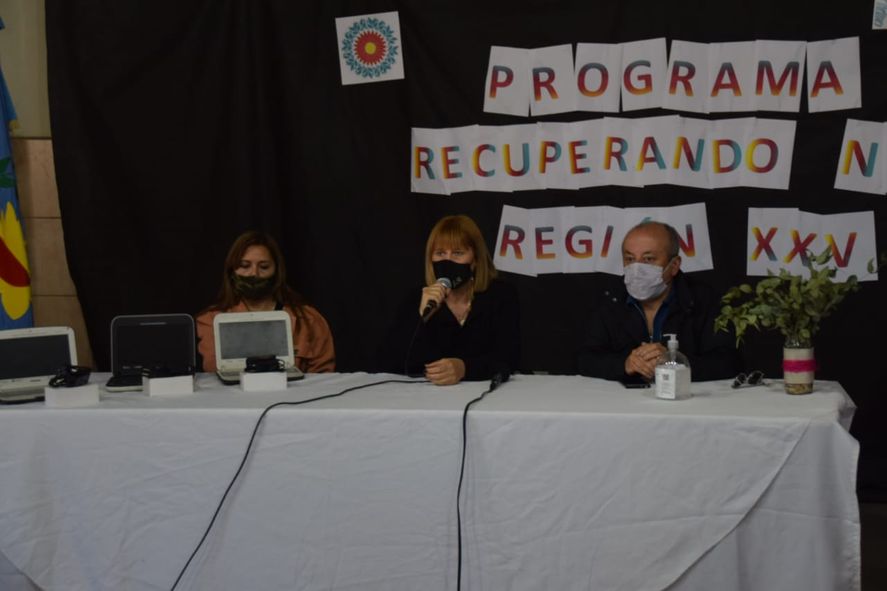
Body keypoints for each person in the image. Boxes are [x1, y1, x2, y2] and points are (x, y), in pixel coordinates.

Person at [577, 220, 737, 383]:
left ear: (674, 265)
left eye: (648, 259)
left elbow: (728, 362)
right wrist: (625, 364)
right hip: (623, 398)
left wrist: (672, 362)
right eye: (630, 259)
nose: (637, 268)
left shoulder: (703, 299)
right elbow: (585, 359)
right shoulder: (610, 298)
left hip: (684, 397)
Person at [380, 215, 520, 385]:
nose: (448, 261)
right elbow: (391, 361)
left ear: (475, 259)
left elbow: (509, 357)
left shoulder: (500, 295)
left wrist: (464, 368)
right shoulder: (417, 298)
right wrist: (421, 317)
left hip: (488, 393)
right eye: (440, 253)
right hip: (429, 395)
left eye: (457, 253)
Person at [196, 231, 335, 373]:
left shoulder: (308, 319)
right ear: (231, 270)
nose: (254, 273)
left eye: (264, 267)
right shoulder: (210, 320)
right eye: (245, 265)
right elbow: (213, 373)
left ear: (277, 270)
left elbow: (323, 377)